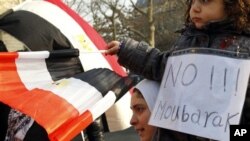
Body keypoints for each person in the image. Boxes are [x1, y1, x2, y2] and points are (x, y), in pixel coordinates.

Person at [106, 0, 250, 141]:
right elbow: (159, 64)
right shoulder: (187, 41)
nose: (195, 8)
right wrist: (126, 50)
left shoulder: (246, 47)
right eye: (192, 2)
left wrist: (232, 134)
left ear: (233, 4)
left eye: (205, 1)